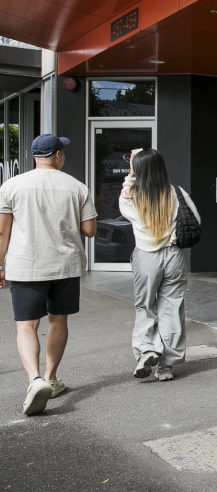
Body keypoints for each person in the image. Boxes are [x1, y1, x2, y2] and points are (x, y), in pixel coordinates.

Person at [0, 134, 97, 416]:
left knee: (25, 326)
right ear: (57, 155)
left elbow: (3, 231)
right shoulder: (76, 187)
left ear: (34, 156)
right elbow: (89, 230)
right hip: (65, 266)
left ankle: (34, 380)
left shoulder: (11, 186)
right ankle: (51, 377)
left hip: (26, 265)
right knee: (58, 320)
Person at [120, 148, 200, 381]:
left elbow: (125, 207)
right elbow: (195, 218)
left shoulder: (131, 195)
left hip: (146, 256)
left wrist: (132, 172)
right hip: (173, 255)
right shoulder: (176, 192)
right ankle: (167, 366)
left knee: (145, 306)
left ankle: (147, 350)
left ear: (139, 170)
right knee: (172, 308)